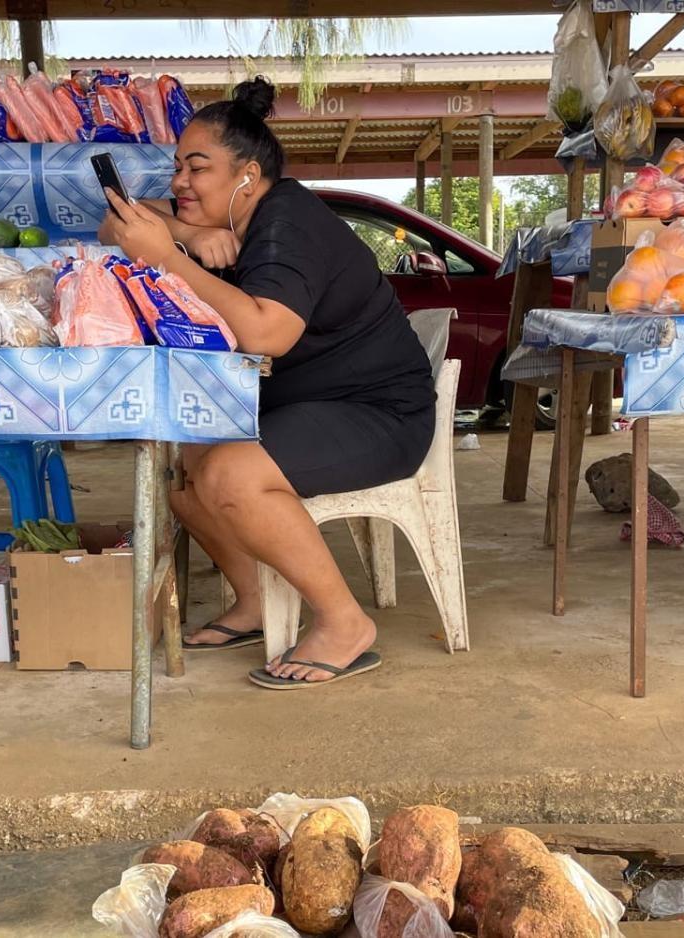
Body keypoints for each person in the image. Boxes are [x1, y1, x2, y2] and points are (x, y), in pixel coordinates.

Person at [101, 77, 435, 690]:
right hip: (308, 404)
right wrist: (189, 234)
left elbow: (266, 334)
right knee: (182, 460)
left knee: (230, 474)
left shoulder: (288, 225)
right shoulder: (230, 218)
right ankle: (253, 601)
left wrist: (171, 258)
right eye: (178, 166)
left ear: (248, 177)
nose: (178, 181)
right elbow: (115, 223)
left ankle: (344, 622)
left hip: (379, 414)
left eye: (196, 168)